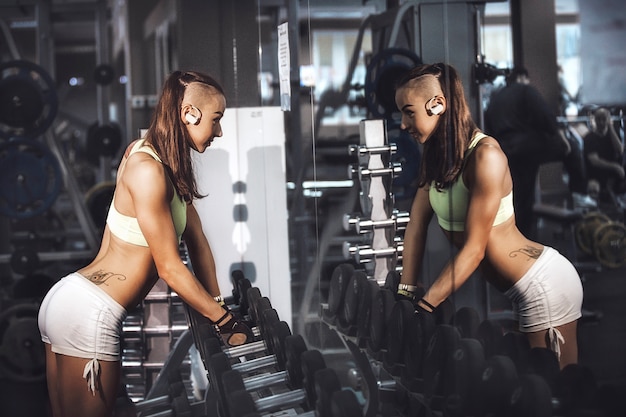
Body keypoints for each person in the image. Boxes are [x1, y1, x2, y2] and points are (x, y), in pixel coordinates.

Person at [37, 70, 253, 417]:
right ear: (189, 114)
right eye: (216, 119)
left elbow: (197, 243)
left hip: (74, 303)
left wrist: (215, 307)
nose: (220, 131)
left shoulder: (164, 163)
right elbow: (169, 266)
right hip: (89, 311)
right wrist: (225, 322)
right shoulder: (147, 169)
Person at [394, 63, 583, 370]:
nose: (403, 123)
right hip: (518, 288)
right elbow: (416, 225)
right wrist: (405, 293)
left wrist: (425, 306)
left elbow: (474, 249)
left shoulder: (486, 156)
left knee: (551, 393)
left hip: (544, 284)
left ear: (437, 105)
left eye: (408, 111)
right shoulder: (437, 157)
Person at [483, 67, 588, 236]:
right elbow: (544, 115)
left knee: (522, 197)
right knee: (572, 148)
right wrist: (559, 135)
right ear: (522, 77)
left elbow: (489, 129)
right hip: (527, 145)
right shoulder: (525, 90)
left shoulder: (495, 100)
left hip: (507, 151)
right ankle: (580, 195)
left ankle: (523, 237)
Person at [583, 107, 626, 208]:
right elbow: (595, 161)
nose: (601, 122)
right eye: (598, 119)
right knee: (596, 187)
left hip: (615, 173)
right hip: (597, 173)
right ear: (594, 119)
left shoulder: (613, 134)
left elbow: (619, 150)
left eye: (604, 119)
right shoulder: (589, 138)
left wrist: (610, 127)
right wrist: (615, 167)